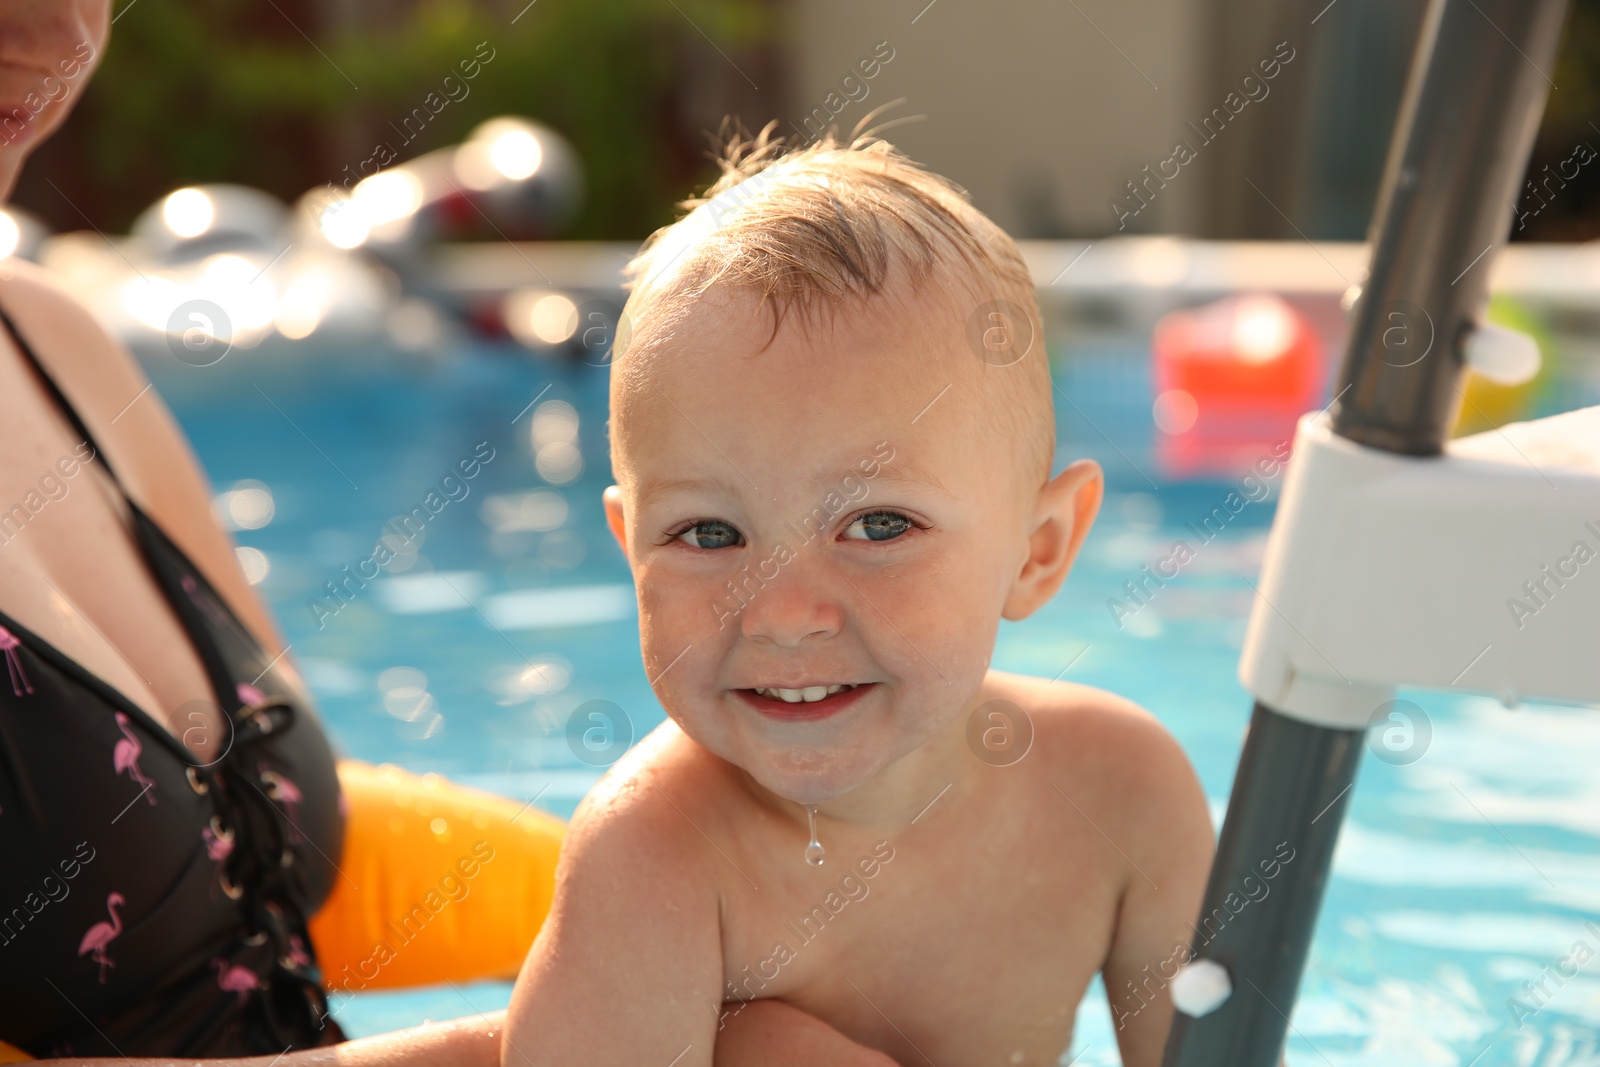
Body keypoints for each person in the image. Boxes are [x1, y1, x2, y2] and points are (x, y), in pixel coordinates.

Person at [503, 122, 1215, 1067]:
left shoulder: (1123, 795)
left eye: (878, 526)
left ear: (1038, 550)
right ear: (632, 550)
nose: (783, 612)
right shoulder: (655, 860)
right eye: (709, 534)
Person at [0, 4, 500, 1064]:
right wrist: (553, 1036)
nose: (52, 37)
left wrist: (717, 868)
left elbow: (275, 857)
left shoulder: (50, 342)